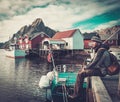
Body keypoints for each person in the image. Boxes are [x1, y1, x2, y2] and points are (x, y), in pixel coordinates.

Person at [68, 36, 111, 102]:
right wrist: (85, 67)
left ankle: (76, 95)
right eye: (92, 42)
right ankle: (77, 93)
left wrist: (85, 68)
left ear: (98, 43)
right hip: (101, 69)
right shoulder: (100, 49)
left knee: (81, 74)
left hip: (102, 71)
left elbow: (95, 63)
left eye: (94, 42)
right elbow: (93, 61)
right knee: (82, 71)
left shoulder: (101, 51)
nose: (92, 43)